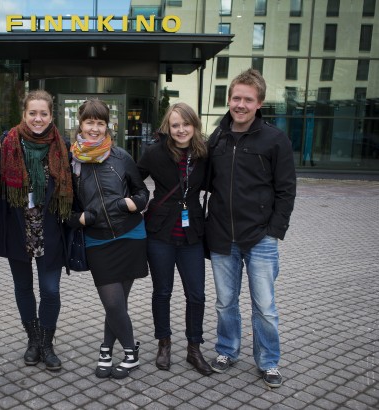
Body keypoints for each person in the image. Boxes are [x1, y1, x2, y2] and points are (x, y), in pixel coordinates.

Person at [205, 68, 296, 388]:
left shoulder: (275, 139)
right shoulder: (217, 137)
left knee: (265, 307)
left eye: (247, 99)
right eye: (236, 98)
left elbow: (286, 190)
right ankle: (227, 350)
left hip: (260, 238)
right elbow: (204, 180)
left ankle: (268, 361)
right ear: (229, 99)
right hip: (222, 236)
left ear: (259, 103)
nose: (240, 105)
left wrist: (274, 231)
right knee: (225, 303)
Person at [68, 99, 149, 380]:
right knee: (113, 303)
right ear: (80, 124)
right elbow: (64, 209)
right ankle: (130, 351)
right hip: (97, 239)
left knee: (117, 304)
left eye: (100, 123)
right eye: (89, 122)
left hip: (130, 235)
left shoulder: (120, 157)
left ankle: (106, 349)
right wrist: (80, 218)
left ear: (107, 126)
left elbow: (142, 193)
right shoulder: (71, 162)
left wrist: (130, 203)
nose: (94, 128)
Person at [0, 90, 73, 372]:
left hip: (49, 230)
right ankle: (33, 340)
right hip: (18, 229)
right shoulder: (7, 142)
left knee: (50, 290)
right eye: (32, 113)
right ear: (24, 114)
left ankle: (47, 344)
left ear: (51, 115)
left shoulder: (62, 146)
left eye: (43, 114)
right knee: (23, 288)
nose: (38, 119)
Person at [137, 102, 213, 376]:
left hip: (192, 234)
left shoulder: (204, 153)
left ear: (195, 125)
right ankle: (164, 344)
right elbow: (133, 179)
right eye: (175, 125)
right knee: (162, 291)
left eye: (186, 124)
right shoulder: (154, 153)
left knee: (197, 294)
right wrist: (136, 202)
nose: (181, 130)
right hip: (160, 233)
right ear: (168, 128)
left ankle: (194, 348)